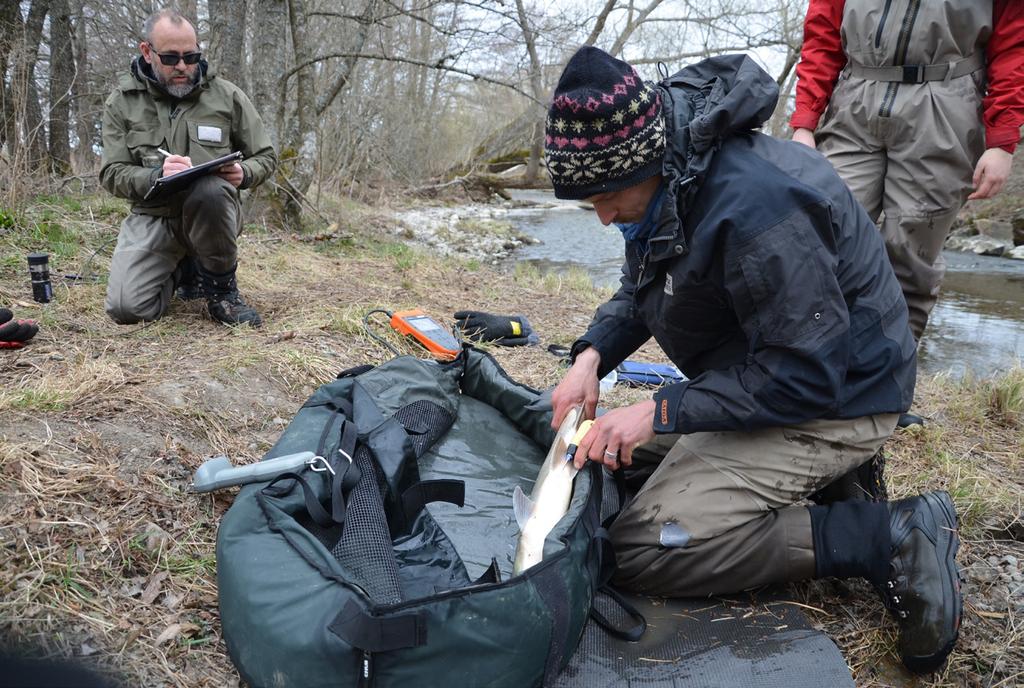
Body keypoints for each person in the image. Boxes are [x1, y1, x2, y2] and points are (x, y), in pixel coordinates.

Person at [545, 47, 961, 674]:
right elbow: (642, 287)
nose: (601, 217)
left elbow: (805, 375)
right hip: (764, 376)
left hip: (837, 399)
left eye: (605, 196)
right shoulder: (672, 177)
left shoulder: (759, 210)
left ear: (646, 160)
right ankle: (823, 490)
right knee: (591, 445)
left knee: (645, 549)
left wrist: (660, 411)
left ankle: (888, 536)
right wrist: (591, 357)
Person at [790, 1, 1024, 342]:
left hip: (946, 105)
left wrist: (1001, 139)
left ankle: (884, 382)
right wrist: (805, 120)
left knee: (909, 259)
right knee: (817, 237)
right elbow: (822, 31)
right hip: (854, 102)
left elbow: (1014, 44)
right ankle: (805, 367)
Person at [100, 8, 277, 327]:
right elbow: (112, 173)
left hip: (213, 215)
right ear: (147, 51)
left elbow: (265, 156)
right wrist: (156, 175)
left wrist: (245, 173)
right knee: (127, 310)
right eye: (170, 58)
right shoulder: (122, 101)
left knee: (208, 189)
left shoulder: (225, 95)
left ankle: (222, 292)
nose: (182, 66)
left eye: (191, 56)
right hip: (154, 216)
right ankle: (184, 267)